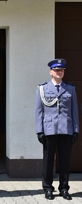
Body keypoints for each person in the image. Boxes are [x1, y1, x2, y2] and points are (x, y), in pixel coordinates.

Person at [35, 58, 79, 200]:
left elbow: (74, 111)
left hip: (66, 129)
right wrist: (39, 130)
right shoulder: (42, 89)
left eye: (61, 70)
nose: (59, 72)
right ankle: (48, 188)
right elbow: (38, 111)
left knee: (65, 160)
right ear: (51, 72)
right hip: (49, 129)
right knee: (48, 160)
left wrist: (75, 130)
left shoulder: (70, 88)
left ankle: (64, 188)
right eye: (56, 70)